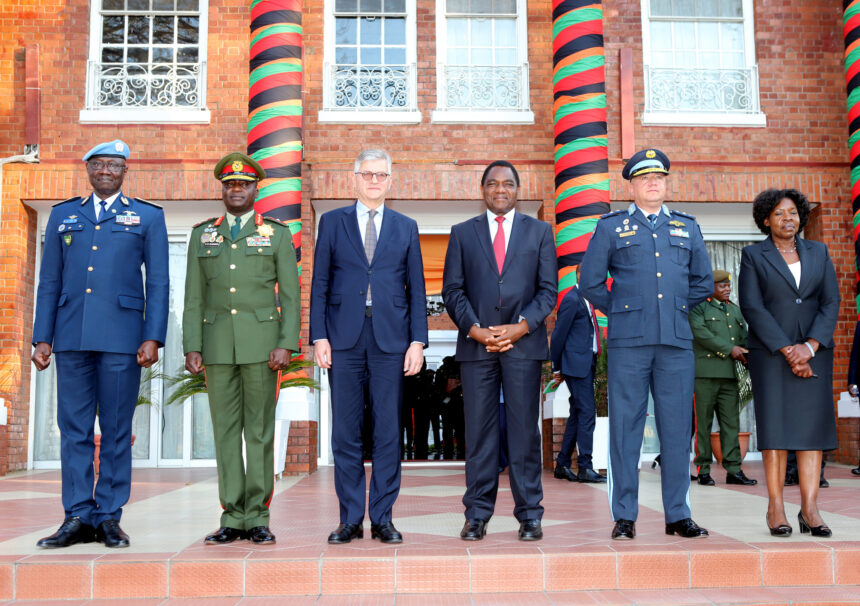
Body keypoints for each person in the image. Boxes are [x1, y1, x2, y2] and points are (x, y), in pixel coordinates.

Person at [32, 139, 169, 548]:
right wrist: (43, 337)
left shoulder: (147, 216)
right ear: (88, 169)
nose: (105, 171)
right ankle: (76, 514)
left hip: (123, 339)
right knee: (73, 429)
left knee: (114, 429)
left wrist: (152, 335)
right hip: (71, 336)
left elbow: (159, 282)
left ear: (125, 171)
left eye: (114, 165)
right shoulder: (62, 215)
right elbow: (49, 281)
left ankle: (108, 514)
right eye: (98, 164)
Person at [580, 148, 713, 541]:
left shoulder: (687, 227)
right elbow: (588, 282)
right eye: (644, 178)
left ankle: (678, 515)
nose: (653, 183)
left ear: (666, 183)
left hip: (675, 342)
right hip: (629, 343)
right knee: (626, 430)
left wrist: (672, 307)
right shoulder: (610, 227)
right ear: (632, 186)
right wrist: (622, 310)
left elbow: (703, 282)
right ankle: (625, 516)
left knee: (675, 430)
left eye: (659, 178)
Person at [310, 149, 427, 544]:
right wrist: (319, 336)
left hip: (391, 341)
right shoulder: (331, 223)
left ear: (390, 180)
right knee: (345, 432)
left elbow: (416, 289)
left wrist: (417, 341)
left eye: (381, 175)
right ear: (354, 177)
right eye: (367, 174)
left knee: (388, 431)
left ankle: (382, 517)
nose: (374, 181)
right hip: (343, 340)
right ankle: (348, 518)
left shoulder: (406, 226)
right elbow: (320, 284)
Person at [183, 152, 300, 545]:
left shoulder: (277, 234)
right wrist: (192, 345)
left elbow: (292, 295)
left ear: (255, 189)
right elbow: (193, 297)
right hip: (216, 347)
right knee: (226, 433)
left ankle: (258, 516)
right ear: (223, 189)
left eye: (244, 184)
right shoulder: (203, 234)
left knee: (260, 433)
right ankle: (232, 516)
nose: (236, 190)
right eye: (230, 184)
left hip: (264, 348)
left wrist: (286, 342)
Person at [442, 160, 557, 541]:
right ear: (483, 190)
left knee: (525, 432)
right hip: (477, 348)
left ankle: (530, 515)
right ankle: (476, 514)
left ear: (517, 189)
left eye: (507, 184)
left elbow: (547, 292)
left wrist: (520, 327)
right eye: (492, 184)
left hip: (523, 346)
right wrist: (475, 331)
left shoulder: (540, 232)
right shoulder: (462, 233)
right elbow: (452, 291)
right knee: (479, 434)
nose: (500, 190)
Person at [738, 188, 840, 537]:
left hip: (815, 355)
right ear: (766, 219)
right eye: (780, 213)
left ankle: (810, 509)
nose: (788, 219)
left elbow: (830, 302)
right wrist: (787, 349)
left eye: (794, 212)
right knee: (777, 431)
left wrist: (809, 347)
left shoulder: (820, 251)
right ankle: (776, 507)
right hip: (771, 356)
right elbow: (752, 306)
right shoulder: (753, 255)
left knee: (811, 432)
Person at [689, 270, 757, 487]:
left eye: (728, 285)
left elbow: (744, 338)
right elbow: (701, 334)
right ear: (710, 288)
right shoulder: (698, 308)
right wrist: (730, 349)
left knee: (731, 425)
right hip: (704, 375)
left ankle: (734, 470)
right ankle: (703, 470)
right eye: (722, 286)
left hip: (730, 375)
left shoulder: (735, 310)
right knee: (703, 424)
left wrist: (748, 355)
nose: (727, 289)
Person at [550, 267, 606, 483]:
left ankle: (562, 464)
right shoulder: (572, 299)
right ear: (582, 275)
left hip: (585, 363)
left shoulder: (586, 299)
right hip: (576, 365)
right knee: (587, 412)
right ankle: (585, 467)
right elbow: (558, 336)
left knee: (578, 412)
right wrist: (557, 367)